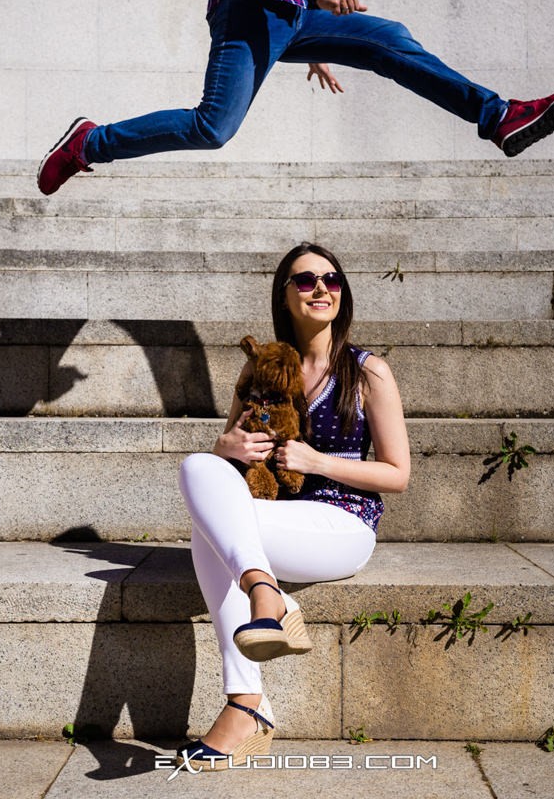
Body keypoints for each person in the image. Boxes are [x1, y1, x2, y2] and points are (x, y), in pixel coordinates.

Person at [173, 241, 410, 771]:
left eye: (331, 279)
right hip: (274, 518)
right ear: (285, 296)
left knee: (207, 536)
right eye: (305, 280)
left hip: (342, 523)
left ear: (342, 292)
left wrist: (317, 461)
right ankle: (266, 600)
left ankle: (247, 701)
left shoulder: (367, 372)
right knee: (197, 466)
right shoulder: (261, 369)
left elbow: (398, 474)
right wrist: (226, 448)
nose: (321, 288)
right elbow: (221, 467)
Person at [37, 0, 554, 195]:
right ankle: (89, 143)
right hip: (248, 14)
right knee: (214, 127)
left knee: (387, 39)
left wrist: (316, 37)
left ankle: (499, 115)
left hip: (293, 18)